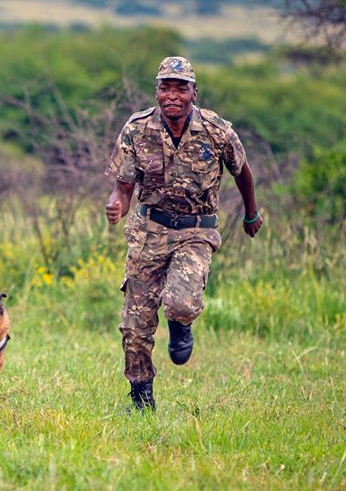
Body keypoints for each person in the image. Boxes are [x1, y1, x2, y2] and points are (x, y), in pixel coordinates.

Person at [104, 56, 263, 412]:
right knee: (134, 325)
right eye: (165, 87)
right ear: (157, 92)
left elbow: (243, 173)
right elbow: (123, 188)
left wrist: (251, 214)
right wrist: (116, 205)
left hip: (196, 230)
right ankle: (141, 399)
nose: (172, 95)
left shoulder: (216, 130)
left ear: (194, 92)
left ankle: (181, 323)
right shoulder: (137, 129)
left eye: (181, 88)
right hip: (149, 231)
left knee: (181, 301)